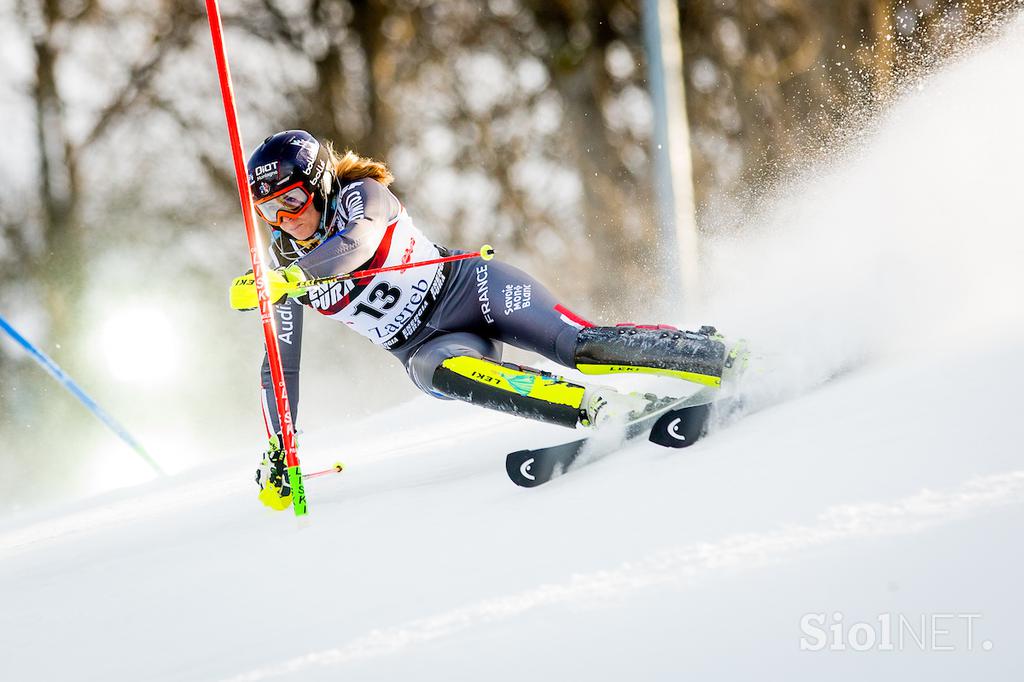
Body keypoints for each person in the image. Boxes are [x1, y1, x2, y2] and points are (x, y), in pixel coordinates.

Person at [231, 130, 734, 510]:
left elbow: (358, 242)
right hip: (425, 346)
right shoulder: (283, 270)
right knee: (450, 375)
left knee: (579, 346)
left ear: (317, 184)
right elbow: (280, 368)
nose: (285, 217)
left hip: (470, 289)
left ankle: (709, 353)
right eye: (269, 210)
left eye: (291, 199)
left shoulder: (360, 195)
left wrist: (293, 277)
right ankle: (602, 409)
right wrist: (281, 450)